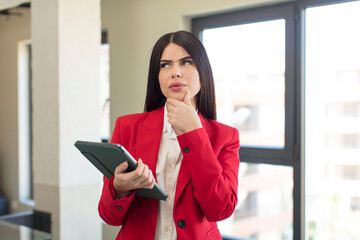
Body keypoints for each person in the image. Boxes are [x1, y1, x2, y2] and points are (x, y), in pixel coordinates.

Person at [98, 30, 240, 240]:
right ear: (157, 76)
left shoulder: (226, 137)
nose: (175, 72)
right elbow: (109, 217)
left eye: (186, 62)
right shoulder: (127, 127)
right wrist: (119, 188)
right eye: (165, 65)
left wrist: (194, 133)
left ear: (203, 71)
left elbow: (220, 210)